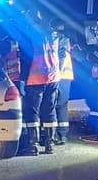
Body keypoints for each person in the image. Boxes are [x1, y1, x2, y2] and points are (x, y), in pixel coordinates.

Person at [18, 13, 58, 155]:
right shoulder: (52, 34)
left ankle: (33, 145)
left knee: (32, 111)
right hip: (53, 77)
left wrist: (22, 80)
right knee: (49, 110)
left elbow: (26, 60)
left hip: (35, 78)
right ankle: (49, 144)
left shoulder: (28, 36)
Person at [51, 20, 76, 145]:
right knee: (61, 105)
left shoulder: (60, 39)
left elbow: (60, 56)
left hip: (57, 76)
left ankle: (56, 134)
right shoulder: (66, 38)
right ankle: (62, 134)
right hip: (65, 76)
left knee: (54, 104)